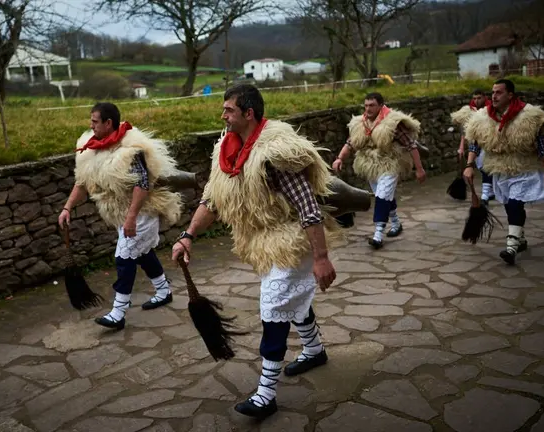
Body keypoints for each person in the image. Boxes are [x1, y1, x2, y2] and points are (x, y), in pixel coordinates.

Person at [171, 84, 338, 420]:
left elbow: (307, 206)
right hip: (260, 243)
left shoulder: (274, 154)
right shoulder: (226, 151)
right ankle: (315, 350)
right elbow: (212, 200)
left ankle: (266, 393)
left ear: (248, 113)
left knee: (274, 303)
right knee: (292, 299)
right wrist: (188, 235)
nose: (223, 116)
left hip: (291, 239)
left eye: (228, 110)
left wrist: (320, 257)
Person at [59, 102, 183, 330]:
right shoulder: (92, 148)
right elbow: (82, 182)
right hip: (120, 212)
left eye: (95, 121)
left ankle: (118, 312)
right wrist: (67, 207)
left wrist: (131, 218)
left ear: (108, 123)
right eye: (91, 121)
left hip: (141, 212)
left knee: (124, 258)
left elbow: (143, 185)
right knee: (143, 253)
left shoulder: (131, 149)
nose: (91, 125)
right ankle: (164, 290)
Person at [463, 79, 544, 265]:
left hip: (523, 167)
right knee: (509, 205)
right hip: (499, 168)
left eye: (499, 92)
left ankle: (511, 247)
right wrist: (469, 165)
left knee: (515, 204)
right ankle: (520, 239)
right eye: (493, 92)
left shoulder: (528, 117)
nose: (494, 96)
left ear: (510, 95)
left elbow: (541, 146)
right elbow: (474, 143)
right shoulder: (483, 118)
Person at [332, 93, 427, 249]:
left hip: (390, 163)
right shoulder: (359, 123)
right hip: (370, 165)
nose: (368, 109)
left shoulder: (393, 123)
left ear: (381, 105)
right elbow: (350, 143)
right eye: (366, 105)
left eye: (372, 105)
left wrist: (419, 168)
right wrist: (340, 158)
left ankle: (377, 235)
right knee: (383, 196)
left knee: (382, 197)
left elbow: (411, 145)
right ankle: (396, 223)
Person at [452, 90, 493, 203]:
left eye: (479, 98)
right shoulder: (470, 110)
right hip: (476, 142)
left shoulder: (492, 108)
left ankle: (485, 194)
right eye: (474, 98)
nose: (476, 101)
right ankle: (490, 191)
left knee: (487, 166)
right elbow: (465, 130)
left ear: (485, 97)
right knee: (481, 165)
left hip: (489, 141)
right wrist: (461, 147)